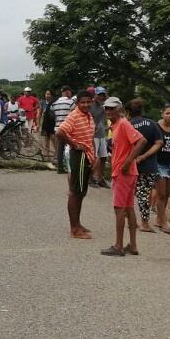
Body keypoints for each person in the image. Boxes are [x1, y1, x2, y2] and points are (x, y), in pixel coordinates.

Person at [101, 97, 146, 256]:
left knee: (119, 209)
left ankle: (118, 246)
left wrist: (127, 162)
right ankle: (132, 245)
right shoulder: (115, 125)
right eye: (106, 108)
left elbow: (141, 141)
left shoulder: (123, 123)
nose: (108, 111)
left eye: (111, 108)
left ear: (119, 110)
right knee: (128, 208)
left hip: (124, 172)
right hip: (127, 172)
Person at [56, 90, 96, 239]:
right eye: (82, 102)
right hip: (78, 156)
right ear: (77, 103)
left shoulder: (88, 115)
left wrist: (94, 155)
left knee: (81, 192)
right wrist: (74, 145)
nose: (86, 104)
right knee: (75, 192)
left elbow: (90, 136)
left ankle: (78, 224)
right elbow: (60, 132)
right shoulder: (74, 116)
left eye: (88, 102)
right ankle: (74, 229)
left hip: (87, 156)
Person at [126, 98, 164, 233]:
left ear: (128, 111)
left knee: (128, 193)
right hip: (149, 165)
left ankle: (131, 221)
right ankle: (144, 223)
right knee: (143, 193)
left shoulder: (127, 124)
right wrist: (145, 156)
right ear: (142, 110)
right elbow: (159, 143)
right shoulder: (152, 124)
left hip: (129, 164)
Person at [153, 105, 170, 233]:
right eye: (167, 113)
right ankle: (164, 221)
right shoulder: (155, 127)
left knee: (167, 194)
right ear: (162, 113)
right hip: (158, 163)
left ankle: (159, 218)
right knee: (161, 193)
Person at [50, 86, 76, 173]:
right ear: (67, 92)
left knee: (60, 149)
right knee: (71, 148)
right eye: (70, 92)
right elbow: (74, 114)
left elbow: (52, 113)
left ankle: (60, 168)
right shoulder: (71, 102)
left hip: (58, 128)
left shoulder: (55, 103)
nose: (71, 94)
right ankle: (70, 167)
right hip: (68, 128)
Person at [90, 88, 109, 188]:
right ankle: (91, 177)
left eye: (103, 95)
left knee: (103, 157)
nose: (101, 97)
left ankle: (100, 178)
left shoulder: (103, 105)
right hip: (93, 134)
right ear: (95, 95)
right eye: (99, 95)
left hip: (102, 134)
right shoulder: (91, 105)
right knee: (94, 158)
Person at [40, 90, 56, 160]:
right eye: (46, 94)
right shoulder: (42, 103)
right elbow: (40, 112)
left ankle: (56, 153)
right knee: (46, 139)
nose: (47, 95)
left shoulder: (54, 103)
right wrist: (37, 124)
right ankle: (46, 154)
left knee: (53, 139)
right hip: (45, 123)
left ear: (51, 95)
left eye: (49, 94)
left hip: (53, 123)